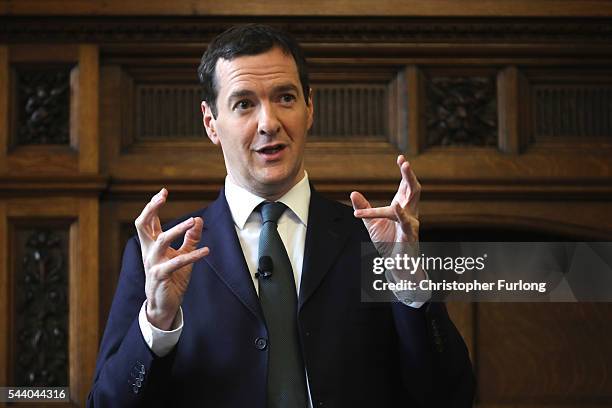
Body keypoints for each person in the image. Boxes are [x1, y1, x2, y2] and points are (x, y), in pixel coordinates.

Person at [87, 24, 475, 408]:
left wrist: (410, 285)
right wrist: (157, 323)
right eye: (243, 104)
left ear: (309, 108)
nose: (269, 123)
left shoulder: (375, 244)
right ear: (211, 123)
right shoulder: (162, 257)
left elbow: (451, 396)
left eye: (285, 98)